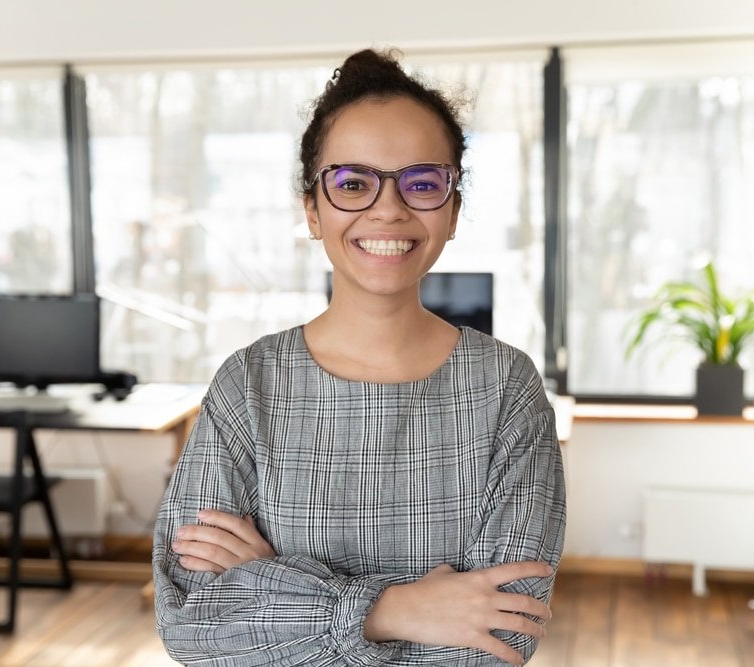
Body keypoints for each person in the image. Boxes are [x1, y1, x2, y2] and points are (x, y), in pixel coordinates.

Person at [152, 48, 566, 666]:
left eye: (423, 183)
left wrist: (277, 586)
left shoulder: (505, 387)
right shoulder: (249, 385)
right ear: (312, 211)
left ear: (452, 210)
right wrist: (391, 610)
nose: (389, 208)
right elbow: (193, 622)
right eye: (353, 183)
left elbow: (497, 642)